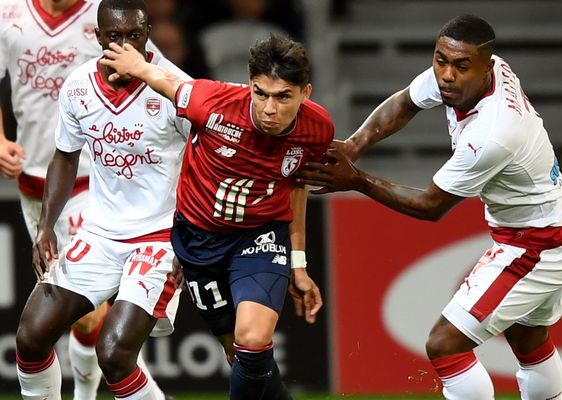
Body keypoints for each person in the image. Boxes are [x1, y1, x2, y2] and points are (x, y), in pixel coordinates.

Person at [297, 14, 562, 400]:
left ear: (486, 67)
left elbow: (431, 205)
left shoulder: (493, 133)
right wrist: (352, 146)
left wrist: (357, 180)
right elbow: (405, 102)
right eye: (440, 60)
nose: (446, 75)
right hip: (553, 225)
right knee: (527, 336)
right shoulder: (482, 72)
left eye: (460, 66)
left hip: (537, 244)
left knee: (444, 344)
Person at [100, 32, 332, 399]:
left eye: (283, 96)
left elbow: (296, 185)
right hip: (197, 241)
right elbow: (169, 83)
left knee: (253, 341)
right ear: (250, 85)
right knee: (240, 355)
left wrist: (297, 262)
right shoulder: (215, 102)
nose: (269, 108)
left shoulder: (318, 129)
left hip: (259, 236)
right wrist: (139, 66)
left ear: (306, 92)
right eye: (261, 93)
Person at [15, 0, 189, 398]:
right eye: (114, 36)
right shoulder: (78, 86)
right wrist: (46, 226)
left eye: (134, 36)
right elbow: (65, 154)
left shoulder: (174, 87)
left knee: (113, 353)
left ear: (148, 37)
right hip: (100, 234)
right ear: (98, 38)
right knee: (30, 335)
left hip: (158, 239)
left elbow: (203, 162)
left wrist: (189, 236)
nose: (124, 46)